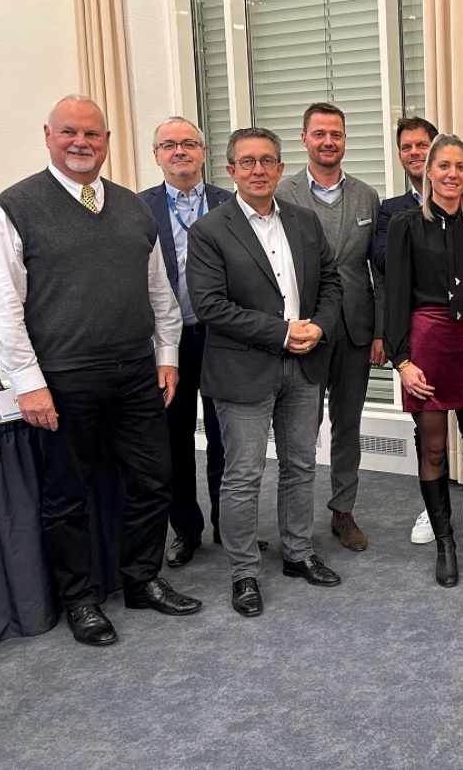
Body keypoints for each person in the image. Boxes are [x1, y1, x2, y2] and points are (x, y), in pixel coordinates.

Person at [0, 94, 202, 646]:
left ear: (108, 141)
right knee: (68, 496)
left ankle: (141, 579)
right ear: (48, 136)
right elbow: (1, 305)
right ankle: (80, 600)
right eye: (69, 133)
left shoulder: (133, 208)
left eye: (93, 135)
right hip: (64, 377)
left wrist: (167, 356)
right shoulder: (15, 207)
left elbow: (159, 294)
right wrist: (28, 384)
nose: (81, 143)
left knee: (154, 481)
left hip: (136, 373)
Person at [187, 127, 344, 617]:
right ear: (230, 170)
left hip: (304, 365)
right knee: (243, 475)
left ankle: (297, 553)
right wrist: (281, 331)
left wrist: (317, 328)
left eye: (268, 161)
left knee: (300, 465)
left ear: (280, 168)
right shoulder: (210, 231)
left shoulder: (303, 221)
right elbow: (210, 305)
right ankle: (244, 573)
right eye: (247, 162)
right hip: (243, 371)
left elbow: (333, 283)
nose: (259, 170)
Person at [384, 133, 463, 587]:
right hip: (427, 343)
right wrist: (401, 360)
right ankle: (446, 543)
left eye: (460, 167)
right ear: (427, 171)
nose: (452, 174)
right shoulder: (403, 224)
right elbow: (395, 295)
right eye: (443, 166)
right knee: (434, 449)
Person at [277, 102, 385, 553]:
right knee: (301, 425)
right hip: (304, 328)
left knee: (348, 423)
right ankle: (295, 519)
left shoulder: (367, 197)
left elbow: (377, 270)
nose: (328, 141)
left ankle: (343, 510)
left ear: (345, 140)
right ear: (304, 139)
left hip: (356, 328)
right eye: (319, 133)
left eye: (335, 134)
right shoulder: (281, 195)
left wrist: (380, 332)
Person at [139, 116, 245, 567]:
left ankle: (229, 526)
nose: (179, 151)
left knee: (227, 437)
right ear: (157, 155)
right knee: (174, 440)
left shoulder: (232, 203)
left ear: (203, 152)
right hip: (168, 343)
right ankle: (186, 529)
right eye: (169, 145)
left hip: (223, 339)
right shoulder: (138, 208)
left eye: (188, 144)